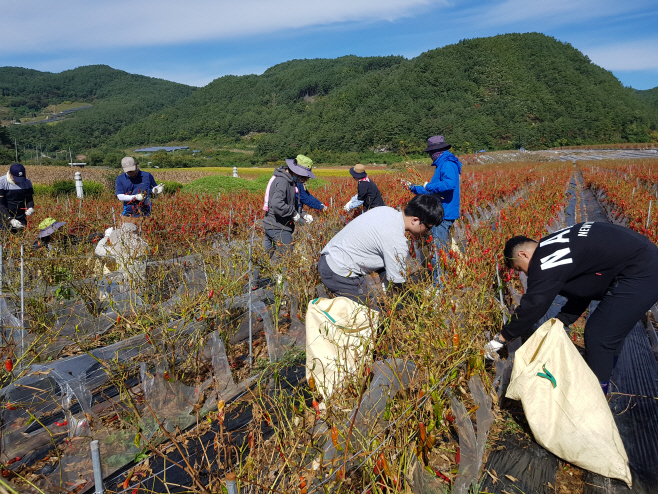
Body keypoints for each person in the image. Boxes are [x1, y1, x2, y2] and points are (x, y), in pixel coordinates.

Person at [486, 222, 658, 395]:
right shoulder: (552, 244)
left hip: (642, 272)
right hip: (640, 261)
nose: (524, 273)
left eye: (519, 268)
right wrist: (563, 319)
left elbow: (535, 304)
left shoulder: (543, 260)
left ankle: (595, 398)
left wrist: (501, 338)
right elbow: (585, 286)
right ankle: (604, 377)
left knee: (599, 335)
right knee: (610, 331)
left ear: (523, 254)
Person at [320, 195, 444, 307]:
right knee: (370, 313)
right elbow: (397, 282)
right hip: (337, 272)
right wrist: (414, 304)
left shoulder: (386, 211)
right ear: (415, 221)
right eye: (428, 228)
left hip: (329, 258)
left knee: (370, 302)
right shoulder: (396, 240)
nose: (427, 232)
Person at [404, 136, 461, 286]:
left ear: (437, 151)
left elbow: (448, 185)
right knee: (441, 248)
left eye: (431, 152)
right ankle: (443, 280)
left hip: (443, 213)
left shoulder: (447, 164)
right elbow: (434, 189)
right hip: (443, 210)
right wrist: (414, 188)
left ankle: (440, 286)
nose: (430, 155)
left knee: (438, 251)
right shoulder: (443, 164)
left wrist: (428, 186)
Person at [262, 156, 315, 257]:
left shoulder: (290, 181)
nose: (304, 179)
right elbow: (277, 204)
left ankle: (257, 273)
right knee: (286, 260)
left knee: (263, 261)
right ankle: (279, 274)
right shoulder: (283, 181)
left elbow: (292, 203)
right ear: (296, 171)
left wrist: (303, 214)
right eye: (303, 176)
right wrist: (293, 213)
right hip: (279, 227)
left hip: (271, 225)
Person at [115, 157, 164, 222]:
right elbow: (120, 196)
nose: (131, 172)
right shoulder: (120, 178)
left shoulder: (147, 176)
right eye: (128, 171)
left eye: (132, 169)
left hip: (146, 214)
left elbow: (152, 189)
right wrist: (135, 197)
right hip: (128, 214)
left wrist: (156, 190)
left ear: (136, 165)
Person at [0, 163, 35, 232]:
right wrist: (10, 219)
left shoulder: (27, 182)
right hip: (4, 216)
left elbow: (29, 199)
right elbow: (0, 204)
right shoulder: (1, 182)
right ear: (10, 174)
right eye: (16, 178)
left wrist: (30, 208)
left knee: (21, 239)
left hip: (20, 217)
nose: (19, 181)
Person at [32, 218, 103, 250]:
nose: (62, 230)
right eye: (59, 229)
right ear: (51, 234)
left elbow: (81, 239)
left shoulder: (67, 239)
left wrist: (99, 236)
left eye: (61, 228)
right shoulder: (40, 246)